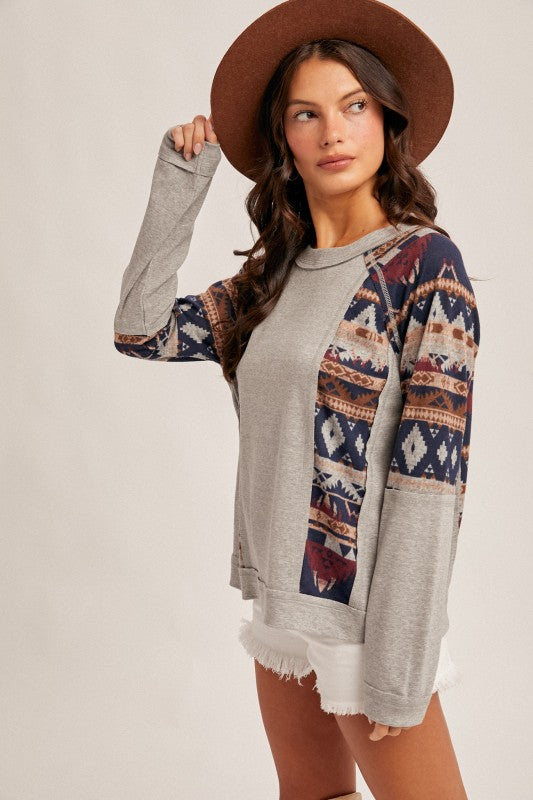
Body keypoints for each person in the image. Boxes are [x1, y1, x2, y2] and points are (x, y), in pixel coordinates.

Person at [113, 1, 481, 797]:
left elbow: (430, 479)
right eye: (306, 114)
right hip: (282, 600)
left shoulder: (422, 266)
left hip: (366, 620)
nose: (332, 132)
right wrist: (183, 180)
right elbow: (142, 330)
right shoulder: (270, 281)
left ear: (386, 120)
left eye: (353, 106)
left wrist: (398, 663)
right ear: (283, 137)